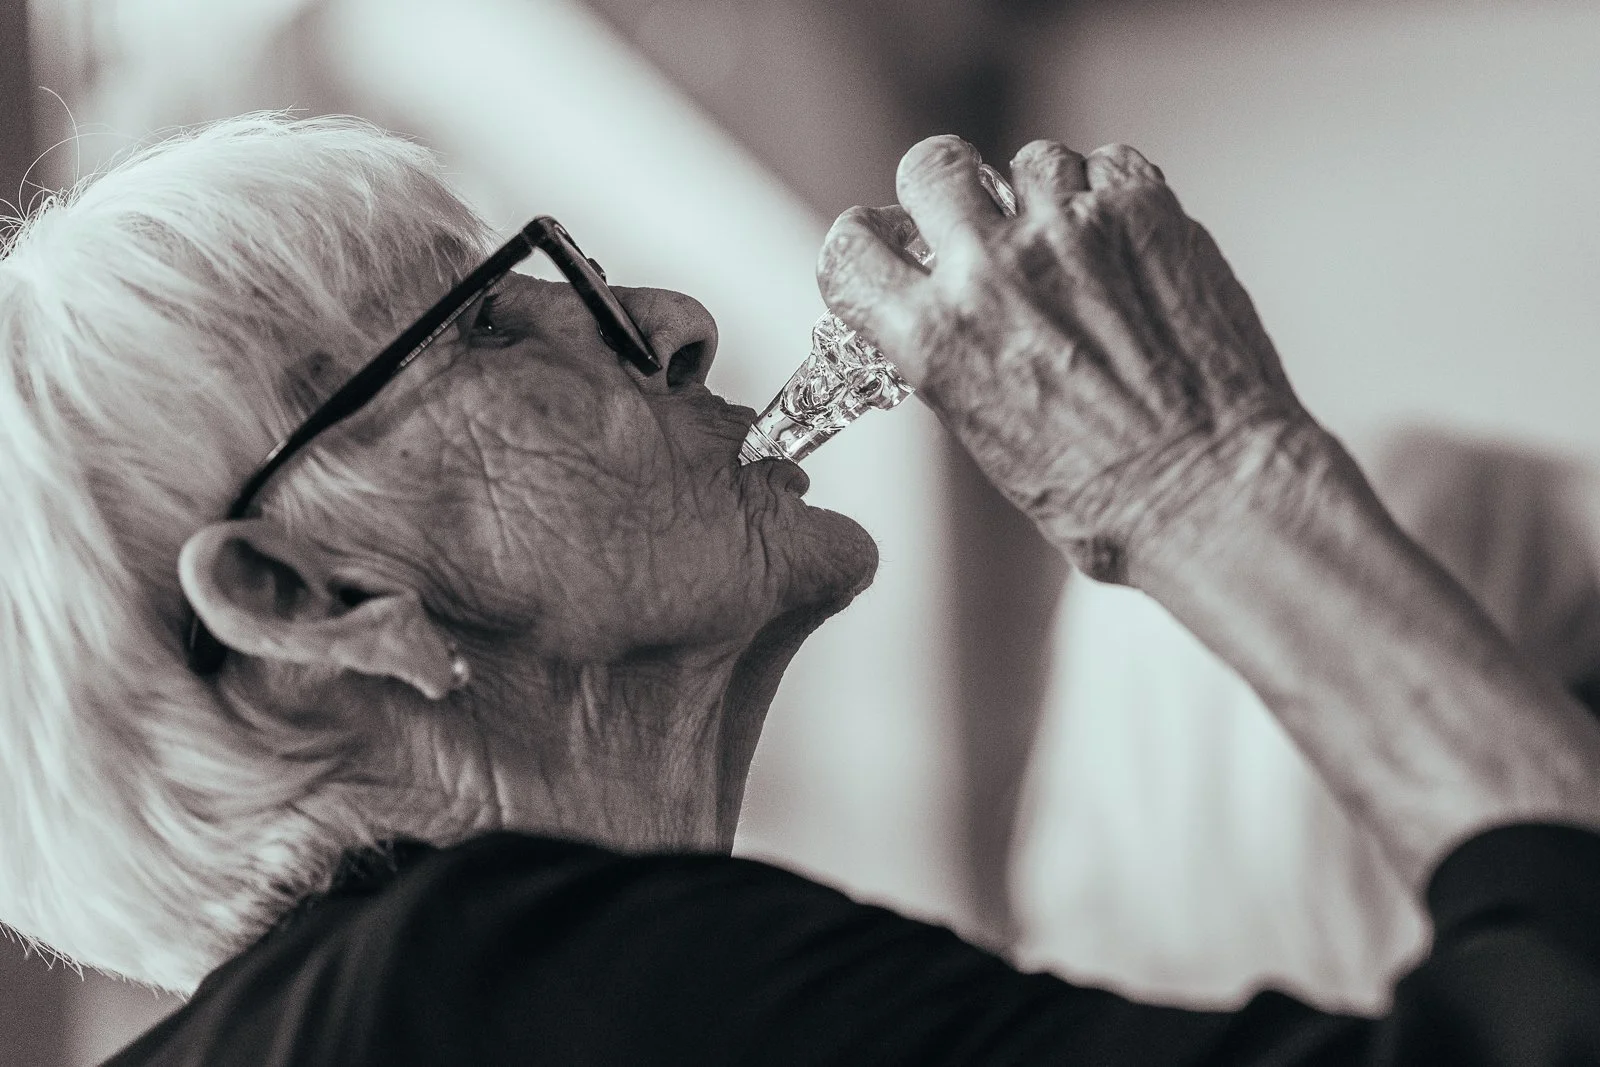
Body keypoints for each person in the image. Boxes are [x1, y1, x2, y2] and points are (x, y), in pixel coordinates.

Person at [1, 112, 1597, 1065]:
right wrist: (1206, 473)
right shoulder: (496, 987)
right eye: (490, 321)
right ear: (303, 600)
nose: (675, 319)